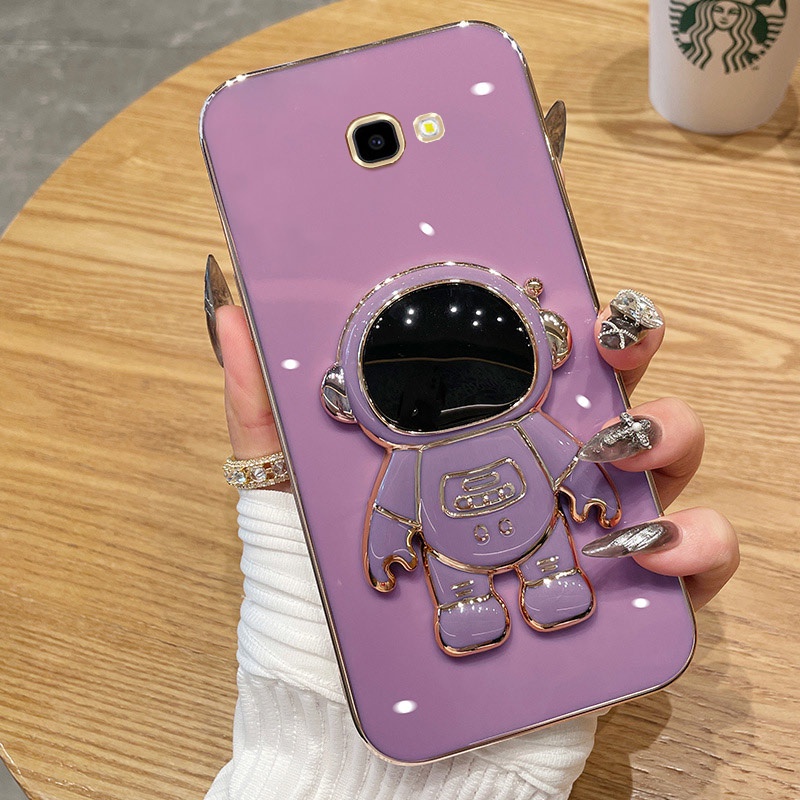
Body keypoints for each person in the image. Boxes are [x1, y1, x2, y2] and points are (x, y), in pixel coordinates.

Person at [203, 258, 739, 800]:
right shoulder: (426, 455)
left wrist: (594, 492)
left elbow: (575, 464)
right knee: (472, 589)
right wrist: (381, 553)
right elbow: (394, 512)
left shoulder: (512, 431)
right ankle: (477, 603)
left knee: (546, 565)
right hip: (461, 551)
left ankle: (541, 585)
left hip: (526, 534)